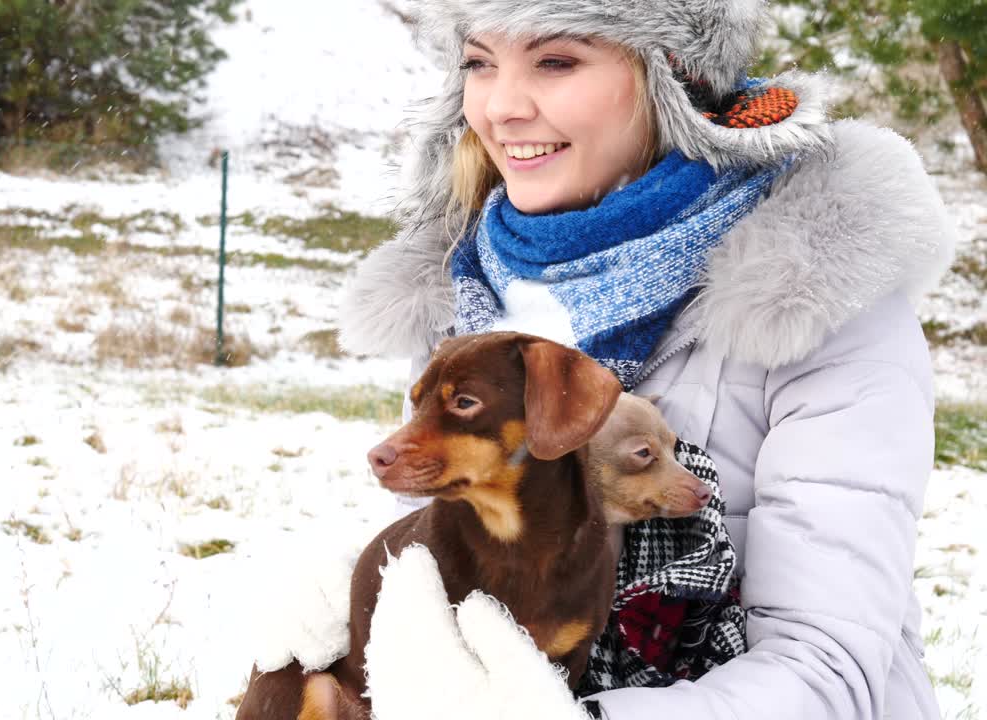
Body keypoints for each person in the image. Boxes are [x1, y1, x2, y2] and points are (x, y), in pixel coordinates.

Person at [255, 1, 959, 718]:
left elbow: (829, 672)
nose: (501, 107)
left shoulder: (815, 298)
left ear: (674, 76)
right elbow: (444, 588)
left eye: (557, 61)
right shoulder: (470, 293)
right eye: (478, 62)